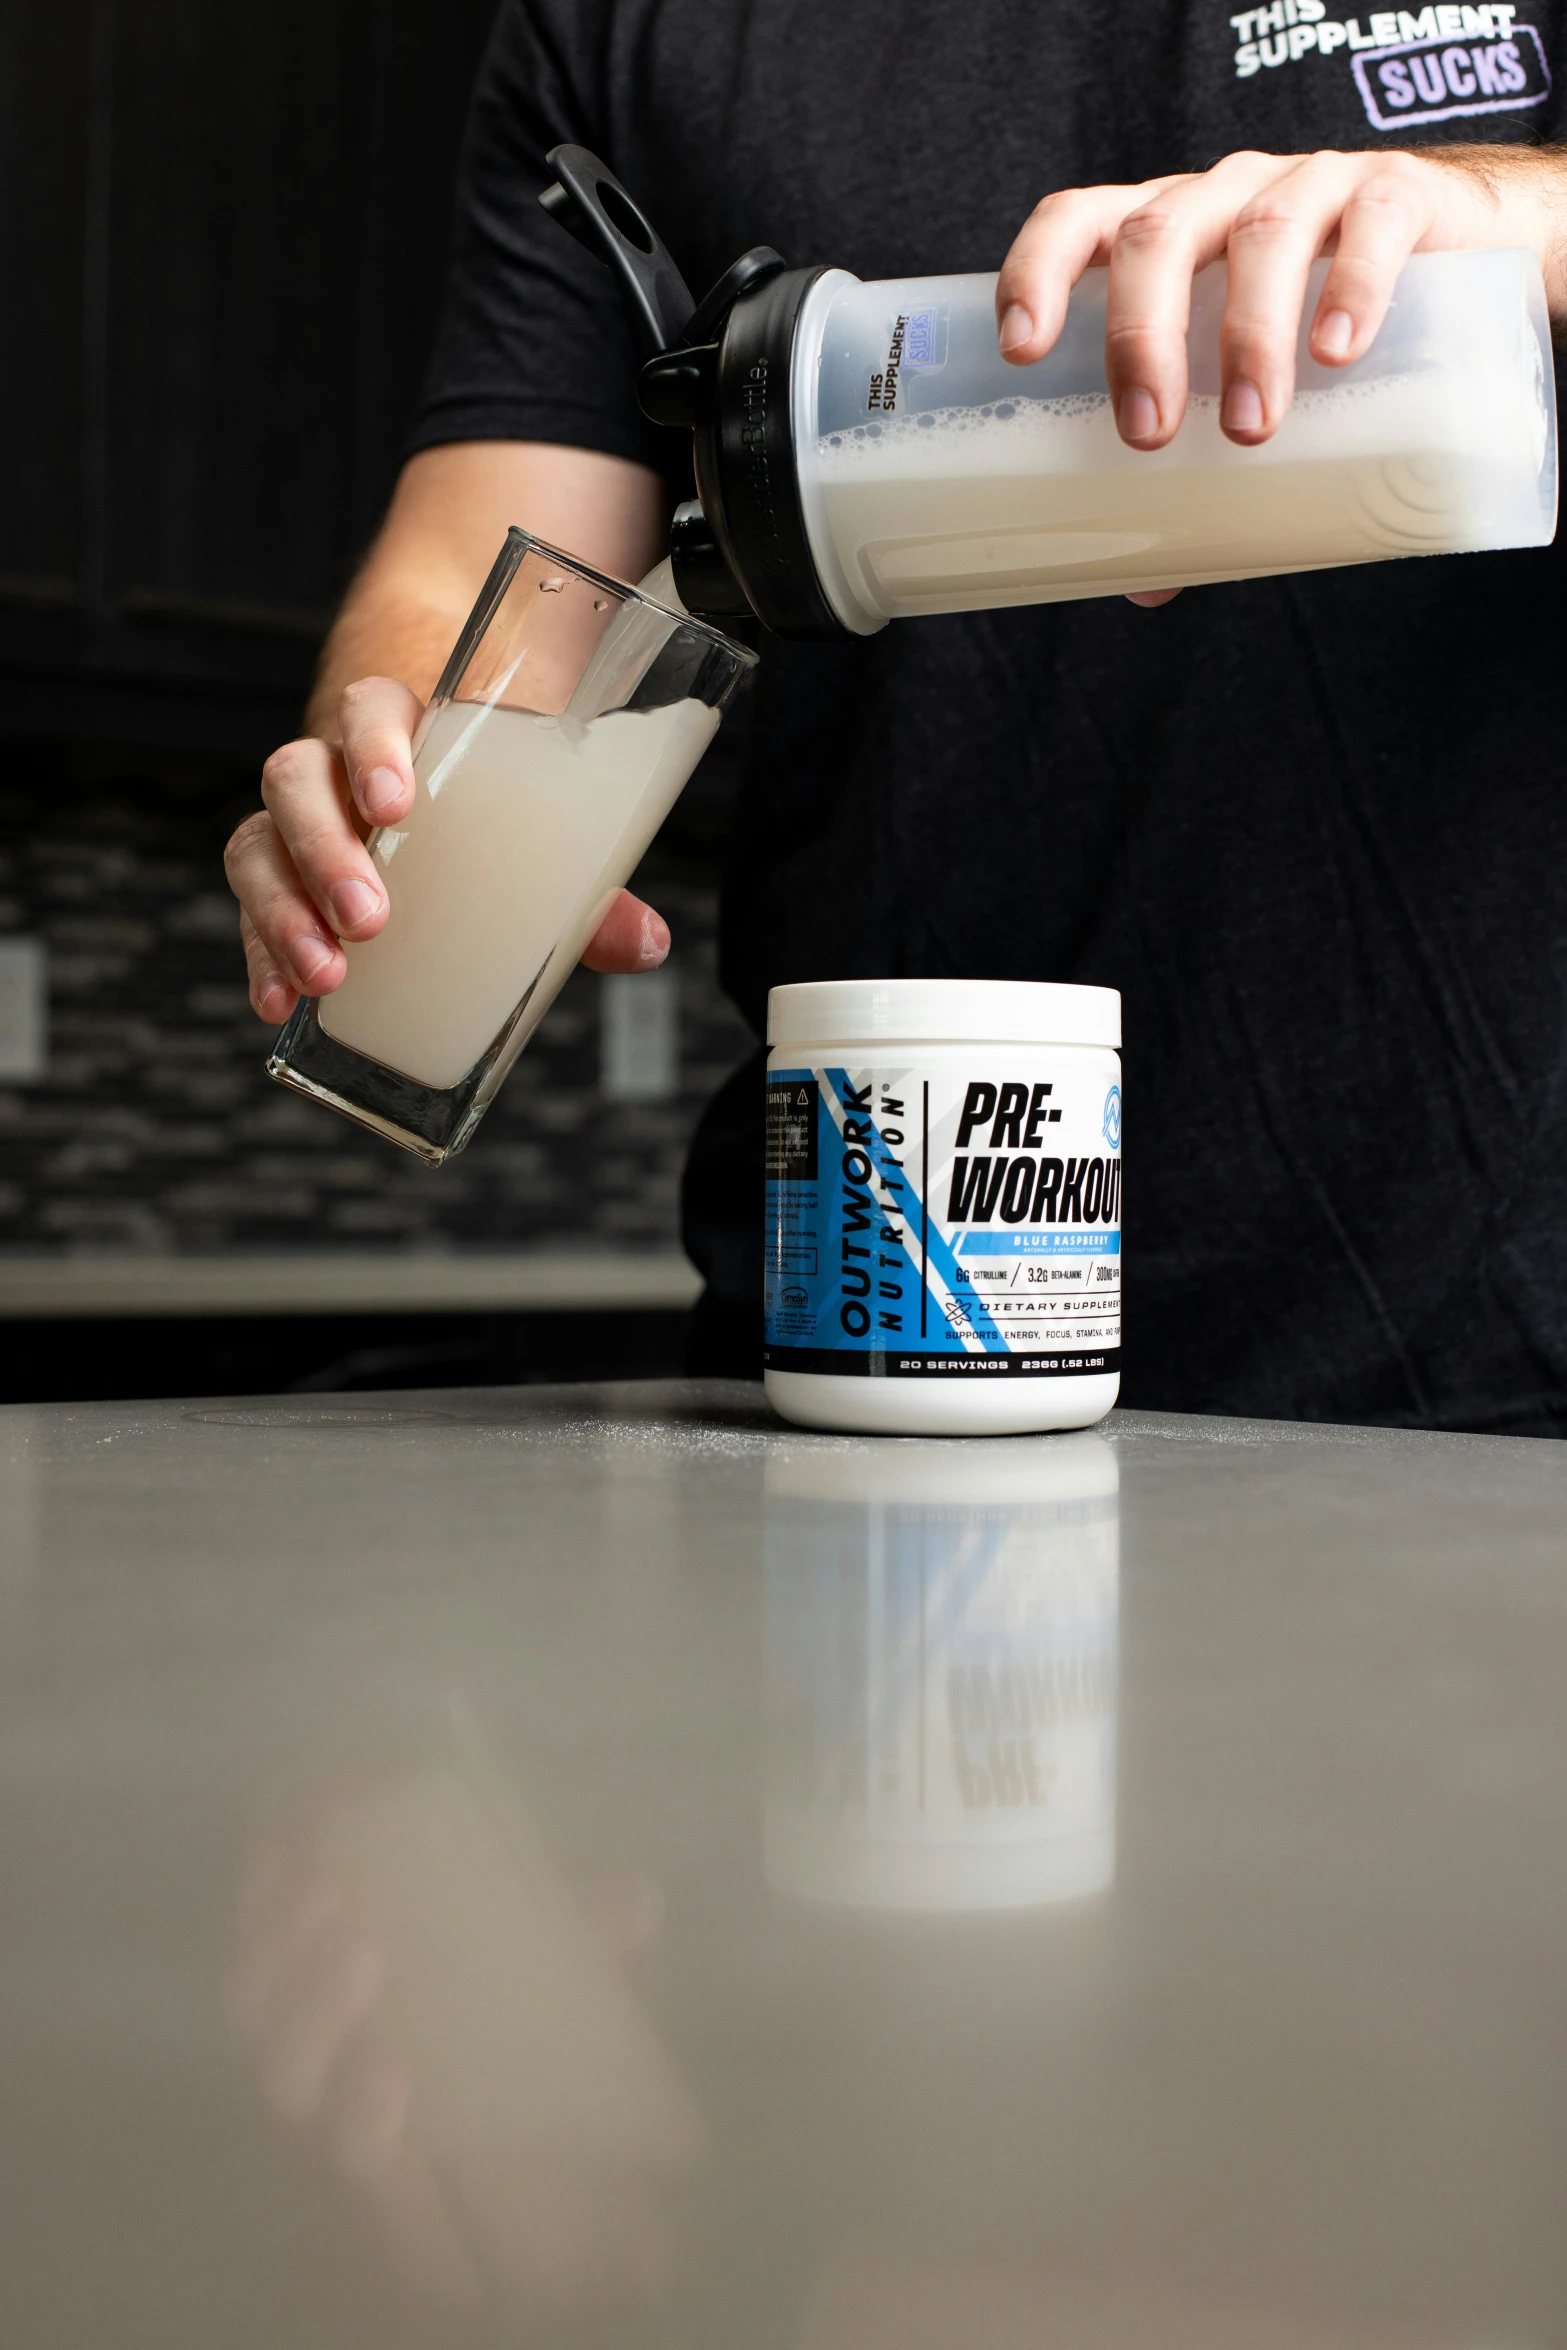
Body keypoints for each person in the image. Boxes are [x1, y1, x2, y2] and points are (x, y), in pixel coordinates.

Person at [224, 2, 1567, 1435]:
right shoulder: (622, 27)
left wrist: (1508, 212)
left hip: (1489, 1350)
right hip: (857, 1322)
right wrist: (400, 777)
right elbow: (476, 579)